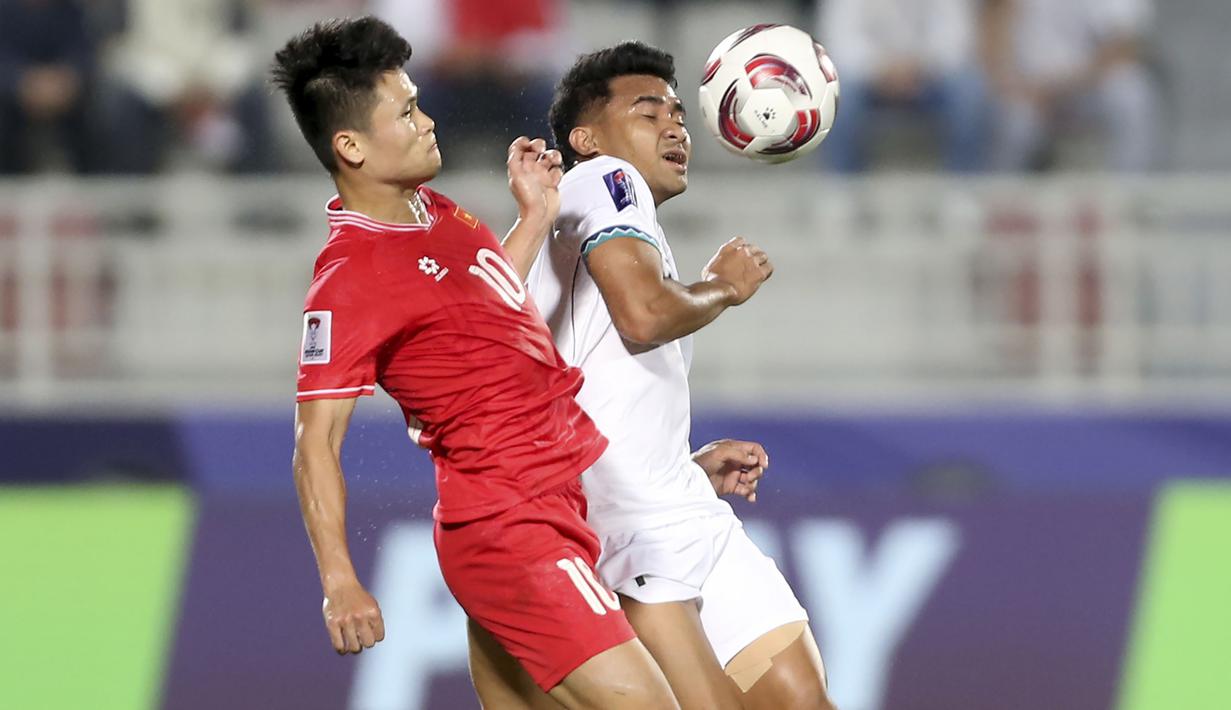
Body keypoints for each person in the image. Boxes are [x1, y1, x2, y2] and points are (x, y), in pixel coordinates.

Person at [271, 18, 678, 709]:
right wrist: (339, 579)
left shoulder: (435, 211)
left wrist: (535, 213)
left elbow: (486, 303)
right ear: (350, 145)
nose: (428, 122)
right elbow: (315, 443)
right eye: (405, 112)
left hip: (546, 506)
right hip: (510, 527)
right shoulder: (347, 279)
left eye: (418, 101)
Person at [521, 43, 833, 709]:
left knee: (804, 701)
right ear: (587, 138)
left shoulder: (609, 216)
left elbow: (610, 374)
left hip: (681, 508)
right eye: (646, 111)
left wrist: (687, 466)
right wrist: (721, 287)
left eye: (678, 114)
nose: (674, 126)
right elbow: (643, 315)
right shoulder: (601, 181)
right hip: (625, 531)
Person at [985, 0, 1158, 171]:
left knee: (1130, 92)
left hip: (1088, 87)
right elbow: (993, 28)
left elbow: (1123, 48)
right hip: (1029, 92)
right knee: (1014, 117)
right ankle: (1000, 192)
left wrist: (1058, 88)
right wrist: (1011, 83)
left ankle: (1129, 191)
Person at [816, 0, 988, 172]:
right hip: (869, 79)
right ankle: (842, 184)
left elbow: (955, 37)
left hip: (929, 78)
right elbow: (839, 40)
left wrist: (919, 66)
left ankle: (963, 182)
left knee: (970, 92)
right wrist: (882, 68)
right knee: (836, 96)